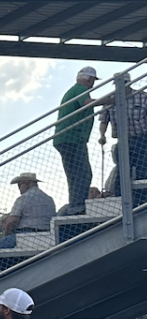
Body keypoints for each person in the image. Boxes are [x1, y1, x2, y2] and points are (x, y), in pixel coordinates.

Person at [55, 66, 99, 214]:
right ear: (88, 79)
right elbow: (87, 103)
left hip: (68, 138)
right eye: (92, 80)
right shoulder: (81, 89)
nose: (92, 83)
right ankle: (77, 206)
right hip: (73, 138)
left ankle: (76, 205)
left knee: (75, 173)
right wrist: (108, 100)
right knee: (83, 173)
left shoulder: (75, 90)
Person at [97, 78, 147, 197]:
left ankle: (142, 199)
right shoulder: (110, 99)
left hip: (142, 138)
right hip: (123, 140)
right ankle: (121, 197)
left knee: (143, 168)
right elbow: (103, 120)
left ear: (129, 83)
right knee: (122, 171)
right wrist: (102, 135)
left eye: (124, 83)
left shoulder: (142, 96)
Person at [0, 173, 56, 249]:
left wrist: (6, 235)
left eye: (20, 185)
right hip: (47, 236)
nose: (19, 188)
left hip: (25, 235)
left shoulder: (24, 198)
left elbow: (11, 221)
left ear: (27, 183)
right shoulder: (49, 199)